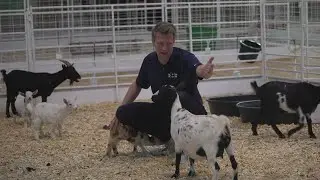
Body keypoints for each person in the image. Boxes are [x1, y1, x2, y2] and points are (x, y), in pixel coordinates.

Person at [103, 21, 215, 133]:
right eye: (160, 43)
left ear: (174, 41)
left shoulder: (185, 58)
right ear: (153, 42)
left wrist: (203, 71)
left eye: (169, 44)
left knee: (172, 95)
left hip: (190, 113)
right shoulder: (149, 61)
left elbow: (198, 69)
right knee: (123, 112)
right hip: (165, 114)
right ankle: (166, 135)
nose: (165, 48)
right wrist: (118, 113)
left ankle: (186, 134)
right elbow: (137, 84)